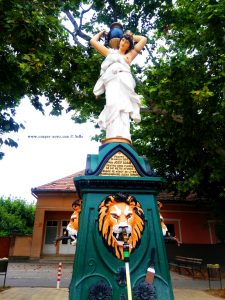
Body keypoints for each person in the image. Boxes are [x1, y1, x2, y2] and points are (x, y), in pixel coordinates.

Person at [90, 28, 147, 142]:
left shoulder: (129, 55)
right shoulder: (110, 53)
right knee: (112, 104)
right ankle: (112, 135)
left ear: (129, 46)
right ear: (120, 41)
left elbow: (143, 39)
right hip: (111, 81)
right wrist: (102, 33)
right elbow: (93, 41)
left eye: (127, 42)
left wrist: (130, 36)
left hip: (125, 81)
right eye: (123, 40)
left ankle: (124, 136)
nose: (124, 43)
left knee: (124, 108)